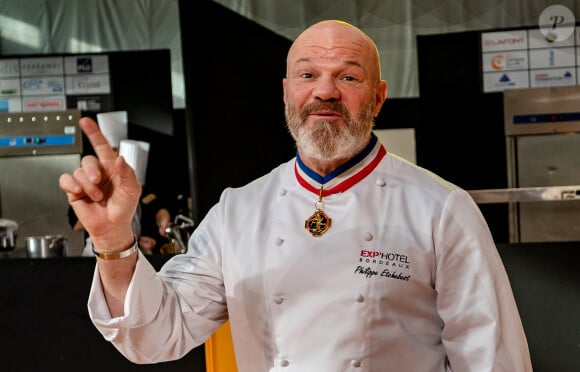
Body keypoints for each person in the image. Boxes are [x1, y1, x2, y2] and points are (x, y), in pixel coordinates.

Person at [59, 20, 532, 371]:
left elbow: (491, 357)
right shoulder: (238, 211)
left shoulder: (440, 208)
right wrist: (115, 239)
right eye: (308, 76)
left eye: (348, 77)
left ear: (379, 96)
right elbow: (156, 335)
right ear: (287, 93)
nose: (324, 91)